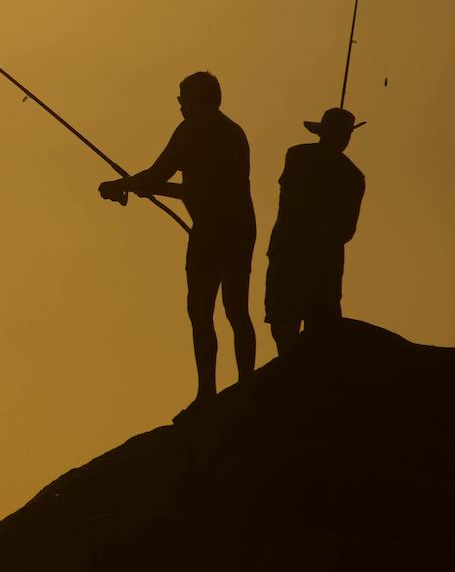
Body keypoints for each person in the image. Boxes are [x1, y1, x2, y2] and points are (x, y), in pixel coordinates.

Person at [98, 71, 257, 418]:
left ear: (199, 99)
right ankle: (248, 386)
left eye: (183, 98)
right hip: (241, 228)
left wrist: (120, 185)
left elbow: (159, 173)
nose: (180, 105)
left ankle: (207, 395)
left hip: (212, 230)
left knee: (201, 311)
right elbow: (194, 188)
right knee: (236, 309)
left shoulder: (192, 131)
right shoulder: (234, 133)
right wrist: (140, 186)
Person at [264, 107, 366, 355]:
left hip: (291, 254)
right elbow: (347, 231)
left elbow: (287, 198)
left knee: (285, 324)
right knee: (317, 329)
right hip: (323, 262)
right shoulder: (353, 176)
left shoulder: (297, 156)